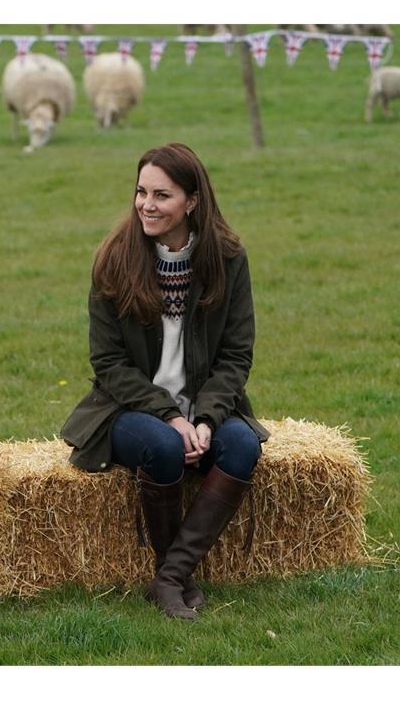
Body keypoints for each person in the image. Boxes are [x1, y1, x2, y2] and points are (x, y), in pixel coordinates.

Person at [60, 143, 270, 621]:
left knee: (242, 446)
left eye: (162, 195)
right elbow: (108, 363)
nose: (146, 205)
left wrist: (208, 418)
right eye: (141, 192)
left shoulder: (227, 257)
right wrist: (172, 416)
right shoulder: (114, 259)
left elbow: (237, 355)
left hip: (208, 406)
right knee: (164, 447)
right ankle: (175, 577)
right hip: (128, 409)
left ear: (192, 201)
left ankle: (170, 577)